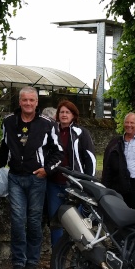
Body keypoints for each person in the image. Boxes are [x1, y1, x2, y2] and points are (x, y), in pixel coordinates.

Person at [0, 86, 63, 269]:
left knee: (34, 221)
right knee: (17, 221)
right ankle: (18, 261)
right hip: (15, 177)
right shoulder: (8, 121)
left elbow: (58, 151)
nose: (28, 103)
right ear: (19, 102)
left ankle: (32, 260)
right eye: (24, 100)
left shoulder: (47, 123)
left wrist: (47, 170)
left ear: (37, 102)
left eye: (31, 100)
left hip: (36, 178)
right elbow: (4, 144)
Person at [46, 100, 96, 247]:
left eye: (67, 112)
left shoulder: (81, 133)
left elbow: (90, 158)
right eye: (61, 112)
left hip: (74, 184)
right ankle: (57, 253)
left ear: (73, 115)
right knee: (56, 220)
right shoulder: (51, 132)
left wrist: (89, 183)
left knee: (76, 221)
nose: (64, 115)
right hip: (54, 183)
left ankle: (77, 252)